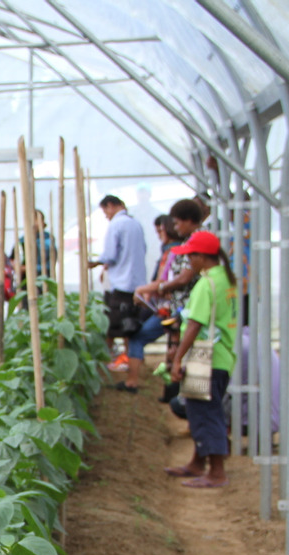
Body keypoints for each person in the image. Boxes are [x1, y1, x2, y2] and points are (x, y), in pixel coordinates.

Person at [165, 230, 238, 488]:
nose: (189, 263)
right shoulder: (225, 279)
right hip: (221, 356)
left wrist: (177, 358)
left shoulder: (206, 284)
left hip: (205, 357)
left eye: (191, 257)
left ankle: (216, 472)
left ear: (202, 257)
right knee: (201, 409)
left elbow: (195, 324)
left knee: (206, 413)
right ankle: (198, 462)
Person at [119, 199, 204, 392]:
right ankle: (178, 394)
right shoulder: (186, 248)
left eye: (175, 223)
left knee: (190, 365)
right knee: (178, 350)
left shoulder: (204, 285)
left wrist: (160, 287)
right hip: (177, 312)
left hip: (182, 313)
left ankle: (178, 393)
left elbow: (181, 278)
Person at [88, 194, 148, 372]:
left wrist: (96, 262)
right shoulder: (135, 224)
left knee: (113, 324)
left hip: (121, 282)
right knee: (131, 324)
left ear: (111, 205)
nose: (106, 215)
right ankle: (129, 359)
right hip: (136, 282)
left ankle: (112, 361)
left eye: (105, 210)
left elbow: (110, 254)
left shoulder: (116, 224)